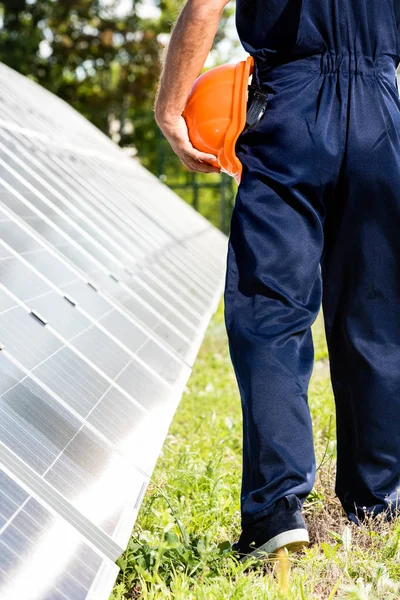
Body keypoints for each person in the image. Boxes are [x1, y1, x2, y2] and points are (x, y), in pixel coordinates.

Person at [154, 0, 400, 560]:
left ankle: (275, 510)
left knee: (270, 312)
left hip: (290, 106)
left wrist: (171, 109)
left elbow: (205, 6)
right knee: (375, 314)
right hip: (381, 114)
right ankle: (377, 505)